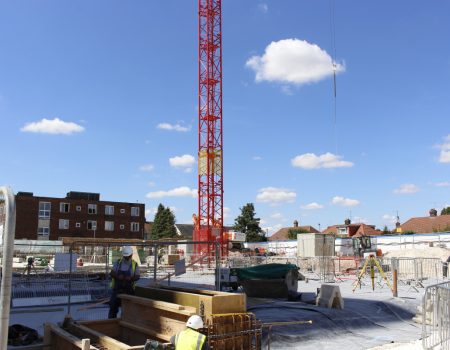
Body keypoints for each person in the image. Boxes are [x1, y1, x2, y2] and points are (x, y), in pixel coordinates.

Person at [108, 246, 140, 319]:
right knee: (113, 308)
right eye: (125, 257)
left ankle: (125, 323)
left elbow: (137, 276)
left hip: (129, 291)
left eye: (128, 257)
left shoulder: (135, 264)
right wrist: (117, 276)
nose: (126, 258)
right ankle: (112, 323)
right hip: (117, 290)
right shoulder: (118, 263)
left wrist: (131, 278)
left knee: (127, 310)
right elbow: (112, 273)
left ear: (131, 255)